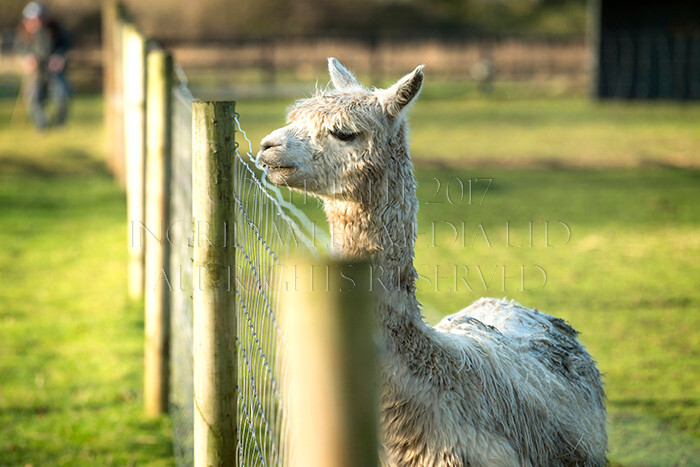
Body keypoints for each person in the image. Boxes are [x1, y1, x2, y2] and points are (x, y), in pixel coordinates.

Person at [14, 2, 71, 130]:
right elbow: (20, 49)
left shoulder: (55, 29)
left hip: (54, 69)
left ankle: (60, 124)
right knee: (34, 99)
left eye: (38, 18)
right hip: (35, 71)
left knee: (61, 95)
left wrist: (59, 56)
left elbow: (65, 45)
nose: (35, 21)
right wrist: (26, 58)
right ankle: (41, 126)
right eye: (32, 18)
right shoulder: (22, 33)